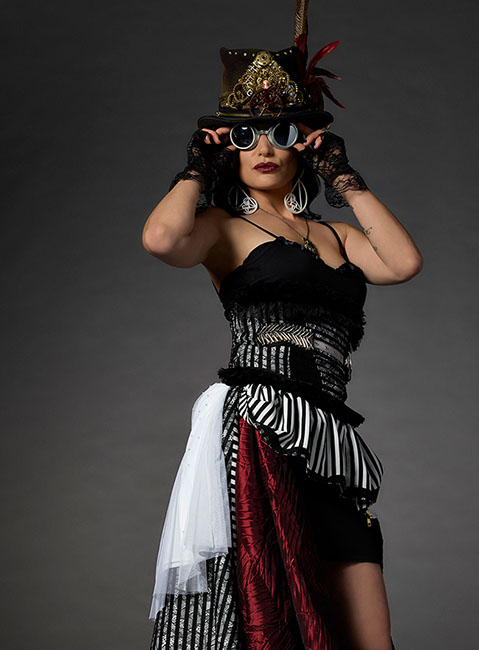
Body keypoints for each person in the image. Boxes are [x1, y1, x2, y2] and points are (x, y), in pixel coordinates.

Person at [142, 4, 423, 649]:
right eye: (245, 136)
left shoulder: (338, 235)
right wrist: (196, 167)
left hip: (329, 436)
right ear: (228, 150)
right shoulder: (223, 229)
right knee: (270, 619)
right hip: (260, 428)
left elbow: (403, 263)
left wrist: (344, 176)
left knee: (370, 635)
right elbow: (161, 238)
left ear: (305, 141)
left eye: (279, 132)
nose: (264, 149)